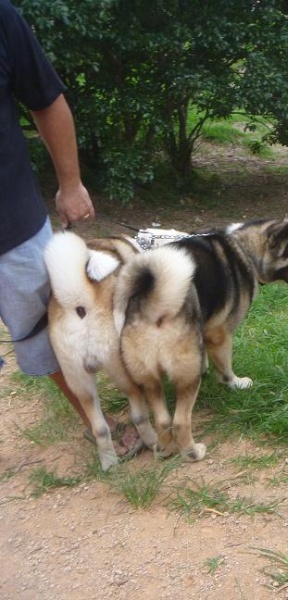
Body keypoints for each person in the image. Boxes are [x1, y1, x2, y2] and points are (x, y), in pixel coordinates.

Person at [0, 0, 142, 458]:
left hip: (10, 222)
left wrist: (71, 183)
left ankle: (97, 423)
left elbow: (46, 99)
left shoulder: (2, 17)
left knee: (50, 324)